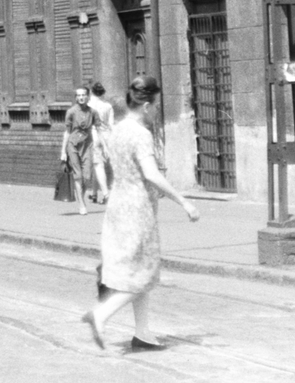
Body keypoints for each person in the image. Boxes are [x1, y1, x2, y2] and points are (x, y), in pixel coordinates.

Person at [88, 75, 199, 352]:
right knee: (142, 273)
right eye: (157, 105)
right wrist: (183, 201)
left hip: (118, 205)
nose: (157, 110)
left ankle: (143, 332)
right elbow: (151, 174)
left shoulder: (117, 130)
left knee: (136, 269)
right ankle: (100, 314)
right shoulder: (141, 134)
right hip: (138, 209)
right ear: (147, 106)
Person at [59, 86, 96, 215]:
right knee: (78, 175)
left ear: (88, 96)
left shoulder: (93, 112)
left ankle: (80, 194)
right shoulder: (71, 112)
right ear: (76, 98)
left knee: (87, 176)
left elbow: (98, 129)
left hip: (87, 145)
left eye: (83, 95)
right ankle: (81, 203)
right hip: (73, 145)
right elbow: (67, 132)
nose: (81, 97)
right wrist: (63, 151)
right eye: (78, 95)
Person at [88, 82, 116, 204]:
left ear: (91, 92)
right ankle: (94, 194)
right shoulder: (108, 106)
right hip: (106, 136)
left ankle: (105, 194)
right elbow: (111, 125)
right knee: (97, 164)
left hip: (93, 135)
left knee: (98, 165)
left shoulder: (88, 106)